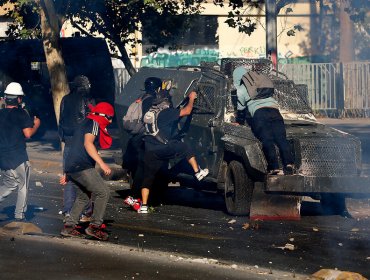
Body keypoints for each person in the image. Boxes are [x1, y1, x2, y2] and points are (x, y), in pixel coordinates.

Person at [137, 87, 209, 214]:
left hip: (149, 149)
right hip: (162, 148)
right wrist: (191, 99)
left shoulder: (150, 113)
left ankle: (144, 206)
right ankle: (198, 172)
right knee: (185, 147)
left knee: (148, 178)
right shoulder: (166, 113)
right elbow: (186, 111)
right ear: (165, 102)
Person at [60, 102, 114, 240]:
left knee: (83, 196)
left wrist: (67, 171)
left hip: (72, 165)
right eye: (109, 117)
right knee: (103, 192)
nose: (110, 121)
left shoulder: (83, 123)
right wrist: (103, 165)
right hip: (82, 166)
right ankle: (95, 227)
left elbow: (73, 146)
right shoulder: (94, 123)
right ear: (102, 115)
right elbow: (88, 144)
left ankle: (69, 227)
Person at [232, 66, 294, 175]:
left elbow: (241, 111)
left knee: (267, 139)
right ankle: (289, 164)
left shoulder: (241, 89)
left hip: (259, 114)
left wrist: (239, 122)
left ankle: (274, 167)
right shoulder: (260, 85)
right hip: (275, 112)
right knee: (281, 139)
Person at [0, 82, 41, 221]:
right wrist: (36, 124)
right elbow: (28, 134)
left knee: (9, 184)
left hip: (3, 156)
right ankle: (19, 214)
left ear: (5, 98)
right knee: (22, 186)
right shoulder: (21, 113)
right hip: (18, 156)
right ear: (19, 99)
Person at [59, 75, 95, 222]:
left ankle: (68, 210)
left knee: (69, 176)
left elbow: (61, 120)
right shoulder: (88, 101)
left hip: (68, 142)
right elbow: (91, 122)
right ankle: (85, 211)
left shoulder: (65, 99)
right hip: (82, 143)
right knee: (86, 177)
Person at [122, 77, 160, 209]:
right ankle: (134, 197)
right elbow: (149, 120)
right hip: (144, 138)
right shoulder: (151, 101)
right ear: (157, 88)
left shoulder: (141, 98)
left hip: (136, 138)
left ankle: (135, 197)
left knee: (141, 168)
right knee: (144, 170)